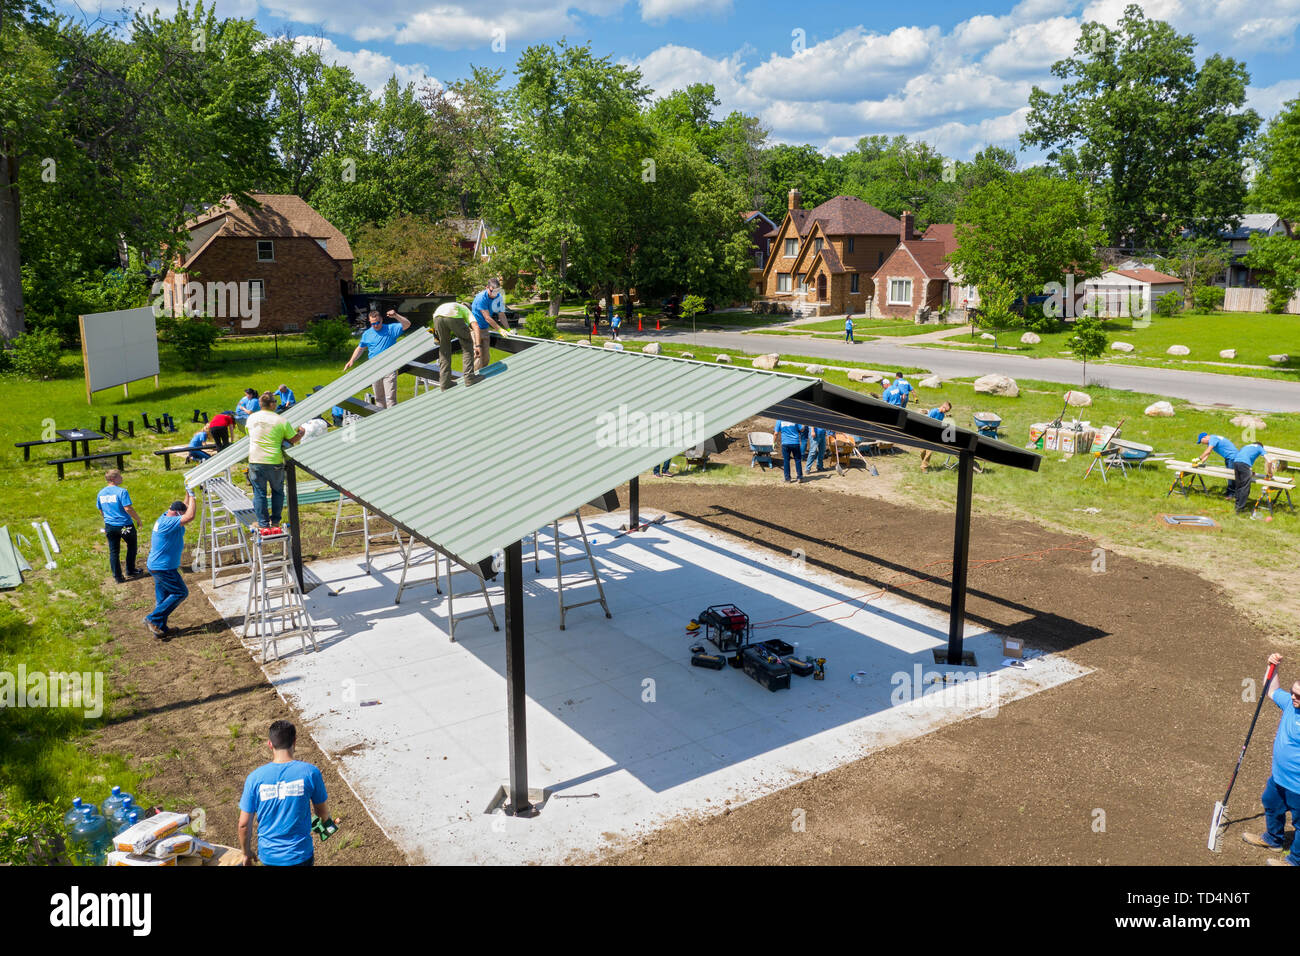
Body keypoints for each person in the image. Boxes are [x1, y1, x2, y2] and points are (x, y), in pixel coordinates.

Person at [238, 720, 329, 867]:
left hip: (269, 857)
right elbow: (322, 813)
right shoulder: (311, 773)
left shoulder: (254, 778)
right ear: (294, 741)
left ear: (270, 744)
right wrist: (326, 826)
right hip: (300, 856)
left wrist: (246, 852)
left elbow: (243, 825)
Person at [1242, 653, 1300, 866]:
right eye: (1293, 692)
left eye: (1299, 696)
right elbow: (1272, 690)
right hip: (1279, 777)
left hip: (1298, 785)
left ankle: (1294, 860)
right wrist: (1272, 667)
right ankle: (1273, 839)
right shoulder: (1290, 705)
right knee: (1271, 803)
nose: (1293, 697)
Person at [246, 392, 305, 533]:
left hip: (255, 460)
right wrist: (301, 432)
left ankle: (263, 524)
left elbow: (250, 433)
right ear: (272, 404)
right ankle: (275, 522)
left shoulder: (251, 418)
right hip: (274, 461)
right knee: (277, 491)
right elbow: (292, 439)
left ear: (260, 404)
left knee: (259, 493)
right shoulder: (281, 420)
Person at [144, 493, 196, 638]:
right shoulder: (167, 523)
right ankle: (152, 619)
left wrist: (188, 492)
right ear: (178, 513)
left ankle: (160, 629)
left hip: (158, 566)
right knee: (180, 592)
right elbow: (190, 516)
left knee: (163, 599)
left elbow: (185, 508)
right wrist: (194, 497)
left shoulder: (168, 515)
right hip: (163, 568)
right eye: (182, 514)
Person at [345, 308, 411, 409]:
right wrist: (352, 360)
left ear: (382, 320)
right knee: (379, 398)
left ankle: (393, 417)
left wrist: (396, 315)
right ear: (370, 321)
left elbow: (407, 324)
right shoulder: (367, 334)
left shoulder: (391, 329)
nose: (375, 325)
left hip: (389, 367)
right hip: (374, 368)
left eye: (377, 322)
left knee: (390, 398)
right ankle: (381, 416)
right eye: (373, 323)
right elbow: (360, 348)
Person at [96, 469, 142, 583]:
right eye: (119, 476)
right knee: (132, 546)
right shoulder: (122, 492)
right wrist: (138, 519)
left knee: (114, 551)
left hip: (110, 526)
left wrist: (107, 519)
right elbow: (128, 508)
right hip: (125, 526)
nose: (122, 478)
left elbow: (100, 510)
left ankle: (117, 577)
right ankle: (130, 570)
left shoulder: (101, 493)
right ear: (113, 479)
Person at [431, 301, 482, 390]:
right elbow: (476, 327)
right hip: (453, 316)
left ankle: (445, 382)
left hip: (437, 317)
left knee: (444, 350)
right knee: (467, 345)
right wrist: (478, 346)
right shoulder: (466, 310)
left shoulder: (452, 305)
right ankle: (469, 378)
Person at [469, 278, 511, 373]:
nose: (494, 294)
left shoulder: (498, 297)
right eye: (492, 291)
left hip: (485, 328)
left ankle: (484, 377)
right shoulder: (481, 298)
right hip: (475, 329)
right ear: (487, 287)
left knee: (486, 358)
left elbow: (501, 314)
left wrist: (508, 329)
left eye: (497, 291)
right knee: (477, 356)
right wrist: (499, 329)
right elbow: (487, 317)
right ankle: (473, 377)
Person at [1229, 442, 1277, 514]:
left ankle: (1237, 506)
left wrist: (1249, 471)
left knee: (1239, 485)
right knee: (1245, 487)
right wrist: (1269, 472)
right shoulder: (1259, 447)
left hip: (1236, 462)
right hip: (1245, 464)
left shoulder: (1246, 446)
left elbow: (1242, 456)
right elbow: (1269, 461)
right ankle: (1240, 509)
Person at [1195, 432, 1241, 497]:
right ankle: (1230, 492)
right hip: (1229, 457)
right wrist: (1200, 462)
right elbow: (1208, 454)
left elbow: (1208, 451)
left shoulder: (1213, 439)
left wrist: (1198, 458)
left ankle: (1232, 494)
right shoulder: (1212, 439)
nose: (1203, 443)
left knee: (1231, 475)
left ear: (1204, 437)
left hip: (1233, 457)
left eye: (1202, 442)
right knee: (1229, 475)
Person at [919, 401, 953, 473]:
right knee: (922, 451)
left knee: (929, 452)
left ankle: (924, 467)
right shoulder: (934, 411)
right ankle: (924, 462)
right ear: (943, 407)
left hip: (933, 435)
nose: (946, 412)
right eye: (946, 410)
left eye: (947, 411)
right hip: (926, 432)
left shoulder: (942, 415)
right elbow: (927, 421)